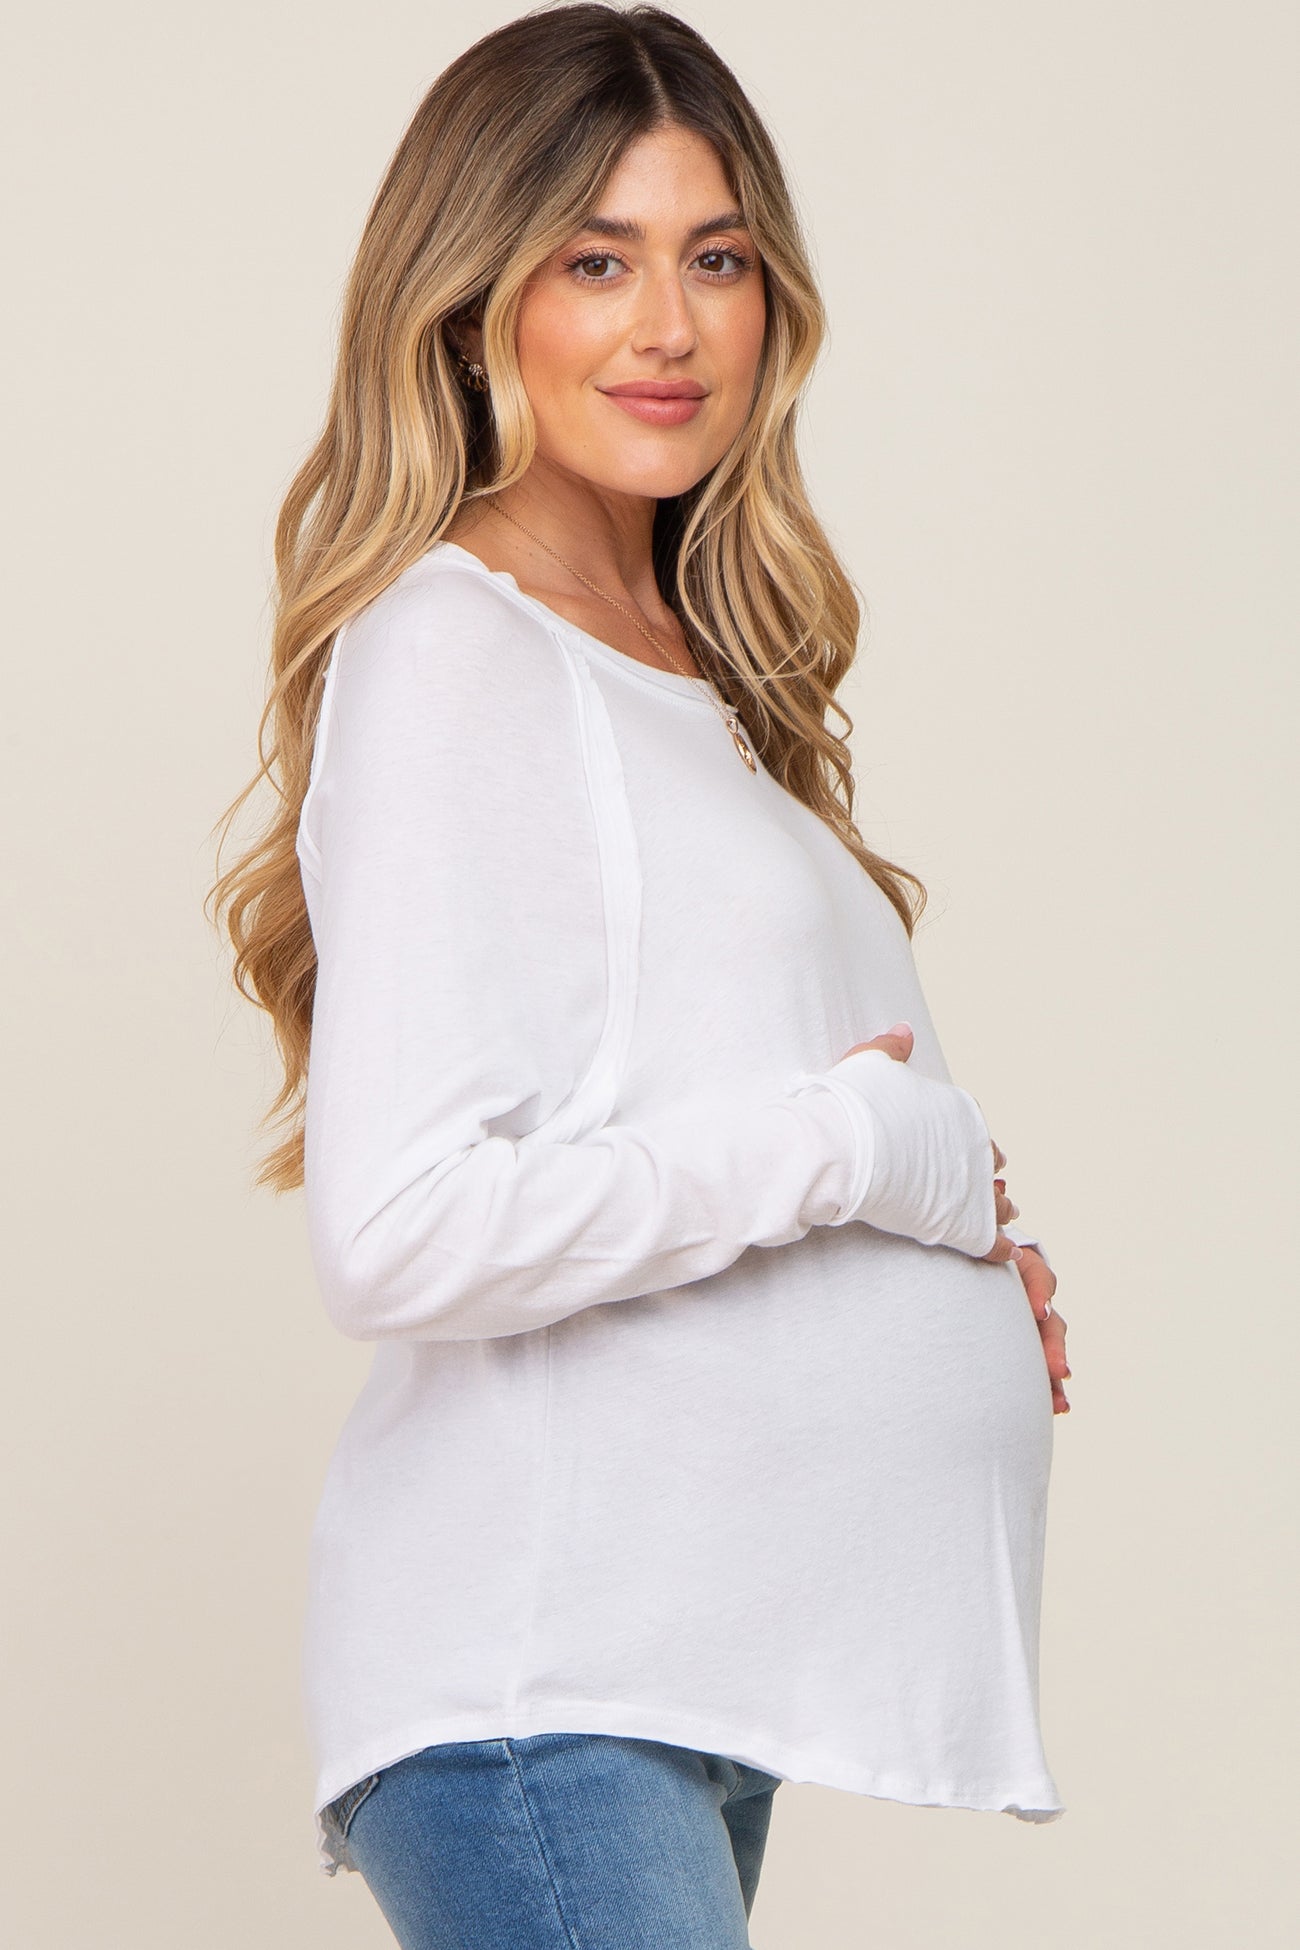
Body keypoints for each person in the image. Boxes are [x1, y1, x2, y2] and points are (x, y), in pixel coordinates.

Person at [210, 6, 1072, 1945]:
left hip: (675, 1668)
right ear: (473, 301)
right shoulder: (457, 645)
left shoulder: (683, 661)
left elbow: (700, 1100)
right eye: (595, 262)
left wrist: (940, 1274)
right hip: (546, 1681)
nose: (669, 327)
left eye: (718, 258)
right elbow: (405, 1232)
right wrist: (855, 1160)